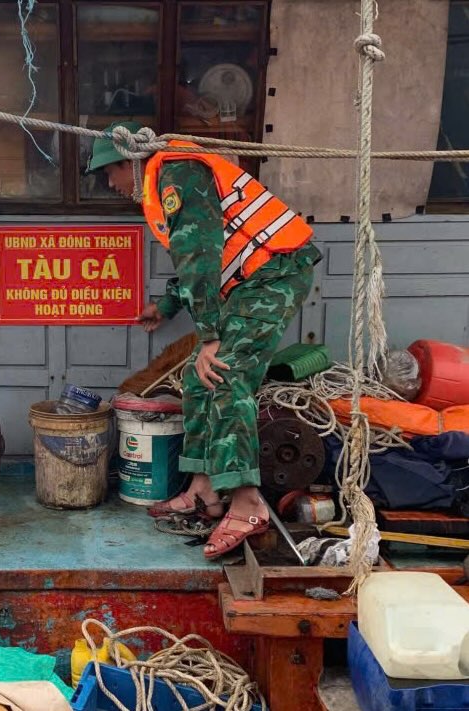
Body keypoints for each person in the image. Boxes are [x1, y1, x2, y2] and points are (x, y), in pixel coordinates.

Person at [88, 121, 321, 560]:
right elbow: (204, 253)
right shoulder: (167, 174)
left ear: (130, 162)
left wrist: (212, 336)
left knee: (225, 372)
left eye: (109, 174)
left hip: (276, 273)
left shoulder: (178, 172)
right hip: (253, 279)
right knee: (197, 381)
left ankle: (247, 502)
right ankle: (205, 488)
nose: (110, 185)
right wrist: (168, 305)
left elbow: (201, 254)